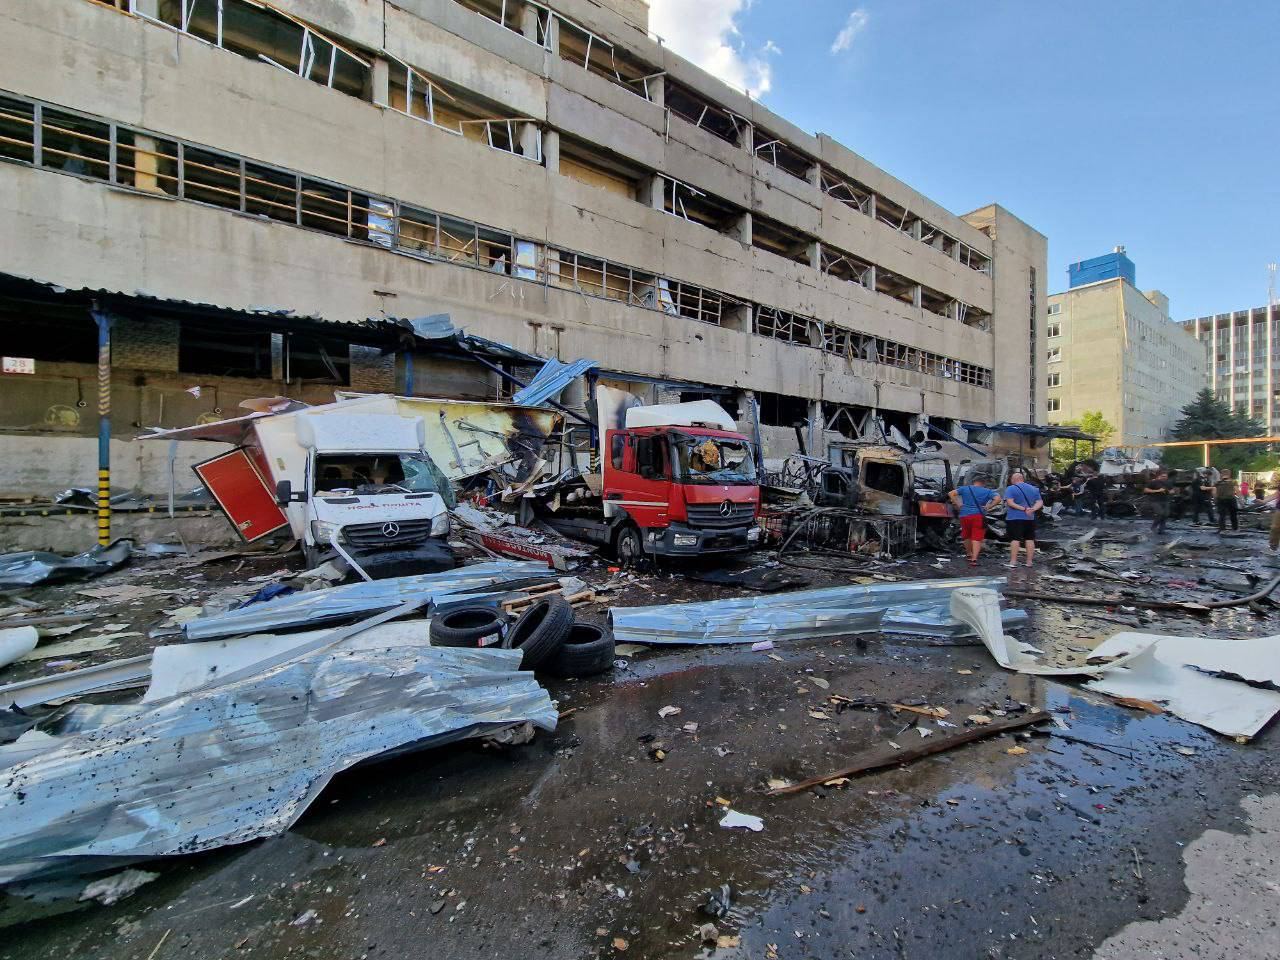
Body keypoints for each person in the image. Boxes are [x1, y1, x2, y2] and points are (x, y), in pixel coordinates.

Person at [948, 477, 1002, 567]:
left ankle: (969, 553)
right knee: (976, 537)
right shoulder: (987, 491)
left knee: (966, 535)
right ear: (983, 484)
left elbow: (951, 493)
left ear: (974, 482)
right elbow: (998, 499)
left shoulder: (965, 488)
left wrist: (958, 503)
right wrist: (989, 506)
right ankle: (974, 558)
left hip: (964, 515)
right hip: (978, 516)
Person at [1003, 472, 1043, 568]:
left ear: (1013, 479)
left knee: (1015, 539)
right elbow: (1040, 502)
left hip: (1014, 518)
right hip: (1030, 518)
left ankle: (1013, 562)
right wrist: (1032, 509)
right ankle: (1029, 562)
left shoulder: (1010, 488)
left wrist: (1024, 509)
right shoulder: (1034, 489)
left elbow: (1010, 503)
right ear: (1022, 479)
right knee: (1029, 539)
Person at [1144, 469, 1172, 535]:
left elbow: (1172, 490)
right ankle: (1153, 527)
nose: (1164, 477)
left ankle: (1161, 530)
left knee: (1165, 515)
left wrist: (1169, 491)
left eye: (1166, 476)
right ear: (1159, 476)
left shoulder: (1167, 483)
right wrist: (1158, 490)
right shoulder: (1154, 482)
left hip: (1165, 500)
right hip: (1155, 501)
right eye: (1163, 476)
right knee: (1160, 513)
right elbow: (1146, 490)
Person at [1215, 468, 1239, 533]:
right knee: (1233, 515)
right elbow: (1237, 490)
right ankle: (1235, 528)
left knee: (1222, 515)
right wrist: (1241, 499)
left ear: (1221, 474)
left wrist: (1216, 499)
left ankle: (1222, 529)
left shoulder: (1218, 482)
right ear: (1229, 474)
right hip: (1231, 500)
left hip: (1221, 500)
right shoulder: (1233, 481)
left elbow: (1215, 491)